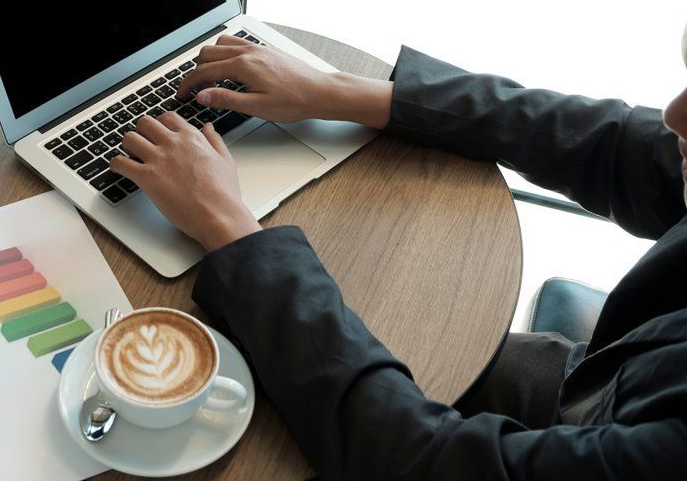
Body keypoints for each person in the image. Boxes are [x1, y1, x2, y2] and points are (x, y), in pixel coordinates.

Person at [108, 34, 687, 479]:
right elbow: (615, 143)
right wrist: (336, 91)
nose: (675, 116)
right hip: (598, 384)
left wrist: (228, 228)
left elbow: (417, 461)